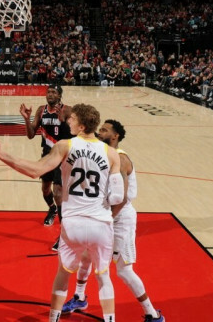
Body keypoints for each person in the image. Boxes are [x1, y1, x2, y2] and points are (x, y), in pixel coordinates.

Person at [0, 103, 124, 322]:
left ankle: (53, 318)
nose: (67, 121)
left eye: (71, 119)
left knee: (63, 274)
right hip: (101, 223)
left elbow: (35, 171)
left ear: (80, 125)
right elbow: (117, 198)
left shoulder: (65, 145)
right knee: (103, 277)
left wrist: (4, 156)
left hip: (73, 225)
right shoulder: (111, 153)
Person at [62, 119, 164, 322]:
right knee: (85, 256)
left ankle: (152, 314)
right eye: (100, 128)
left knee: (124, 271)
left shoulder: (121, 158)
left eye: (105, 130)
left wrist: (105, 219)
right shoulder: (103, 154)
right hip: (105, 215)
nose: (100, 132)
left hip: (120, 219)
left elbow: (123, 197)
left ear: (115, 136)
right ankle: (80, 297)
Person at [19, 85, 72, 236]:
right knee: (45, 189)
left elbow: (74, 134)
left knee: (58, 192)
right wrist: (26, 119)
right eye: (48, 92)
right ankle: (52, 209)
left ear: (60, 95)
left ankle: (64, 230)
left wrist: (63, 121)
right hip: (47, 154)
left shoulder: (67, 110)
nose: (50, 94)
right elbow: (30, 135)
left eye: (54, 92)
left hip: (62, 155)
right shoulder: (41, 110)